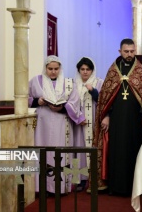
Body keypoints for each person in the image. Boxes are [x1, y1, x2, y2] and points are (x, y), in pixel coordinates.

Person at [93, 38, 142, 196]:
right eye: (126, 51)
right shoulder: (113, 71)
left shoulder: (140, 70)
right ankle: (116, 187)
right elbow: (105, 97)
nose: (129, 54)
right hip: (116, 120)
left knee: (135, 150)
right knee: (117, 151)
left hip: (135, 121)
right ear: (120, 51)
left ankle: (136, 186)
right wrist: (105, 115)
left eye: (132, 51)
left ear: (135, 51)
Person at [28, 55, 85, 194]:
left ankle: (60, 187)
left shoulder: (69, 83)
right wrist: (37, 101)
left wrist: (63, 107)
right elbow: (24, 98)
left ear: (60, 68)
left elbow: (75, 101)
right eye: (50, 69)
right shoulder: (35, 81)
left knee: (60, 153)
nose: (53, 71)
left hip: (62, 122)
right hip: (43, 124)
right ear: (45, 68)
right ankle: (41, 187)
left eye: (56, 69)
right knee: (43, 153)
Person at [73, 57, 104, 192]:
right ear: (79, 70)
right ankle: (78, 180)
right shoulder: (73, 84)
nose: (85, 72)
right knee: (77, 151)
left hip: (93, 122)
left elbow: (103, 101)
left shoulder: (98, 82)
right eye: (82, 69)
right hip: (78, 122)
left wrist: (93, 91)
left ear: (92, 70)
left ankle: (94, 179)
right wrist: (77, 116)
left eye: (88, 69)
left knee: (93, 149)